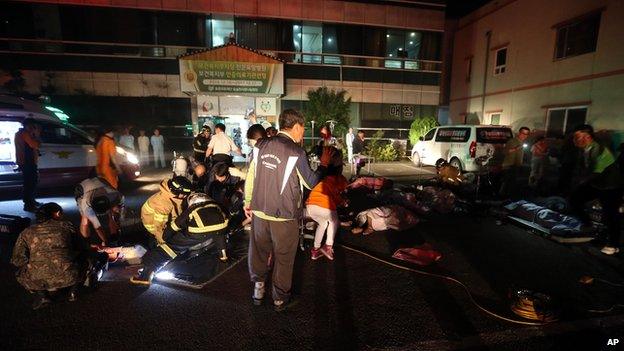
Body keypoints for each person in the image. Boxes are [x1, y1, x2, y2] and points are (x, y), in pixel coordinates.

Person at [244, 109, 334, 311]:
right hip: (283, 216)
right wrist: (324, 165)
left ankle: (258, 290)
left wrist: (247, 201)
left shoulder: (261, 145)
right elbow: (310, 182)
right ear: (296, 126)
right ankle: (279, 299)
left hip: (259, 212)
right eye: (302, 128)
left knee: (258, 252)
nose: (302, 133)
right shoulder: (296, 152)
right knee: (284, 258)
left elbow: (251, 175)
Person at [131, 192, 230, 285]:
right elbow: (226, 219)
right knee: (220, 239)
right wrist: (223, 256)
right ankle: (224, 258)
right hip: (221, 228)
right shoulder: (215, 205)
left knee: (169, 249)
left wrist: (165, 238)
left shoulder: (192, 209)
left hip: (197, 231)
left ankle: (145, 277)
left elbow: (175, 226)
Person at [11, 203, 85, 309]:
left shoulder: (26, 232)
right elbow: (80, 247)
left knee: (20, 272)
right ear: (58, 213)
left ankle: (43, 296)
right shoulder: (67, 225)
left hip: (37, 278)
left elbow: (17, 259)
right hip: (68, 274)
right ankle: (72, 293)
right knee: (85, 259)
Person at [568, 125, 623, 255]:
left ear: (588, 137)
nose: (575, 139)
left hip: (611, 186)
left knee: (611, 214)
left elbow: (595, 173)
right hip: (597, 183)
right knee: (574, 199)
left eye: (578, 137)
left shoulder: (600, 150)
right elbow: (585, 169)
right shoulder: (585, 149)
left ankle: (614, 245)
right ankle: (589, 225)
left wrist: (579, 182)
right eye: (575, 137)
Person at [306, 148, 348, 261]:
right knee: (334, 221)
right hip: (325, 205)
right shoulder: (335, 179)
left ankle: (315, 250)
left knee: (323, 224)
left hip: (311, 206)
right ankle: (328, 246)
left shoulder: (321, 177)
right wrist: (342, 201)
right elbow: (336, 193)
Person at [141, 176, 192, 244]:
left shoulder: (169, 193)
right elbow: (159, 227)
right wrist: (163, 241)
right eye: (184, 194)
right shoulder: (164, 205)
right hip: (154, 227)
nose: (185, 196)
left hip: (160, 221)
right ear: (176, 192)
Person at [75, 177, 123, 247]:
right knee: (85, 219)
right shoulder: (87, 207)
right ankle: (86, 242)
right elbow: (97, 227)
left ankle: (114, 237)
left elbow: (120, 210)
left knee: (112, 213)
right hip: (81, 190)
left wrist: (118, 219)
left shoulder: (115, 195)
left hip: (100, 183)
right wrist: (105, 241)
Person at [15, 118, 42, 212]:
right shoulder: (24, 133)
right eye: (32, 126)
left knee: (31, 182)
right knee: (29, 183)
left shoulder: (22, 133)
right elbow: (34, 145)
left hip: (27, 161)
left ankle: (31, 201)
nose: (33, 128)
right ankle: (28, 204)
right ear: (27, 125)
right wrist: (37, 135)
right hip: (27, 162)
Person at [499, 126, 530, 198]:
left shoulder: (522, 142)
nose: (524, 135)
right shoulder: (512, 141)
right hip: (509, 165)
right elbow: (505, 152)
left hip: (516, 165)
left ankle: (506, 198)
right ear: (519, 133)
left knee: (511, 183)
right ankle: (502, 198)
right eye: (523, 133)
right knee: (507, 183)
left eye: (526, 134)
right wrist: (516, 148)